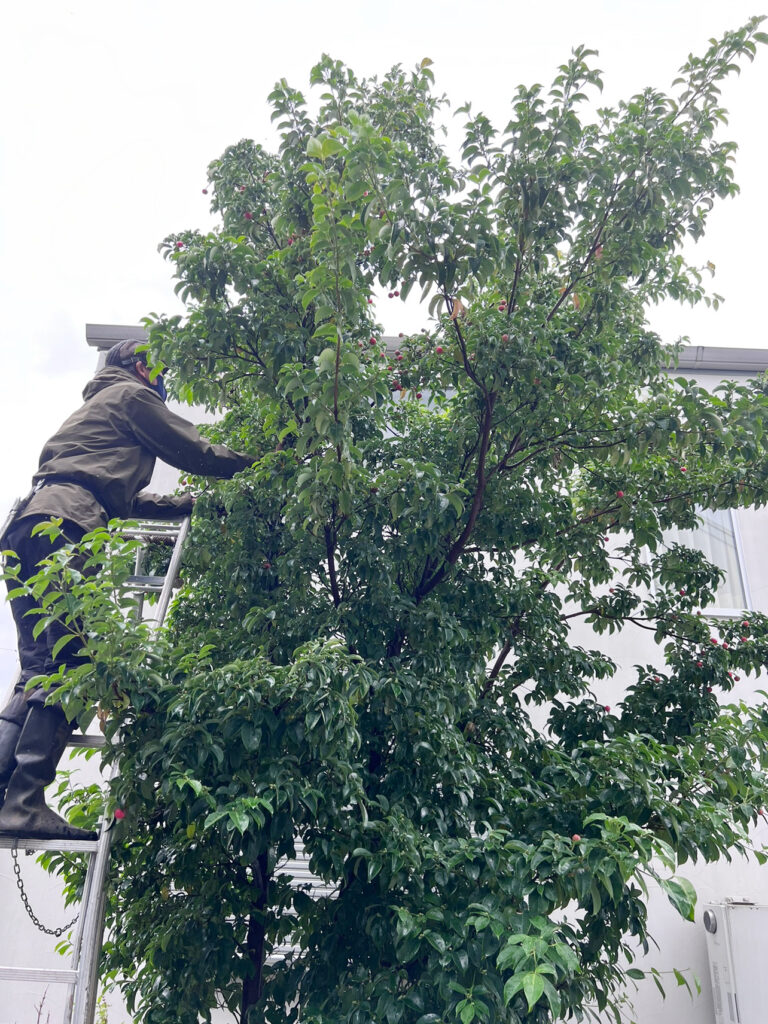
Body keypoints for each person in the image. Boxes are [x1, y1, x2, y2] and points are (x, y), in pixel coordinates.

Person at [0, 340, 254, 841]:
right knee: (71, 670)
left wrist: (180, 504)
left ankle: (6, 798)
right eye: (159, 370)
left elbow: (110, 490)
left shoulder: (93, 407)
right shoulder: (133, 398)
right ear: (142, 366)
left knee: (36, 673)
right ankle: (25, 801)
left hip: (29, 526)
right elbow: (195, 450)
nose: (163, 381)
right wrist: (260, 465)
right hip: (69, 526)